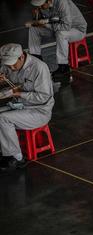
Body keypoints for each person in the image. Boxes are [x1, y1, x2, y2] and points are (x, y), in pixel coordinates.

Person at [0, 43, 54, 172]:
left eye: (13, 64)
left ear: (21, 57)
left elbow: (44, 97)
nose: (11, 67)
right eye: (8, 65)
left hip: (39, 111)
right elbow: (3, 72)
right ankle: (5, 150)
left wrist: (18, 93)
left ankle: (17, 158)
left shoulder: (39, 68)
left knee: (3, 118)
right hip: (19, 105)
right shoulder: (9, 65)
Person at [27, 0, 87, 82]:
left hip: (77, 29)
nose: (39, 7)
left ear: (48, 1)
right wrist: (36, 17)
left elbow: (66, 26)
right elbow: (51, 20)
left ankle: (64, 68)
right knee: (34, 29)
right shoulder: (44, 5)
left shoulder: (62, 3)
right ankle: (36, 61)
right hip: (57, 28)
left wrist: (45, 24)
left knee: (61, 34)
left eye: (41, 5)